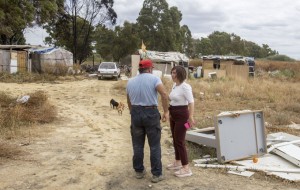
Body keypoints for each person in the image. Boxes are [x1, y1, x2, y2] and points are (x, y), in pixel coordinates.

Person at [126, 59, 169, 183]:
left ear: (140, 69)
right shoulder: (154, 79)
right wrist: (166, 112)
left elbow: (128, 100)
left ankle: (139, 171)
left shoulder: (130, 81)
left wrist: (132, 112)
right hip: (150, 113)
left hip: (135, 113)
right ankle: (156, 174)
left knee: (137, 144)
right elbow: (164, 95)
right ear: (150, 69)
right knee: (154, 145)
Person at [167, 65, 195, 177]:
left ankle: (186, 168)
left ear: (180, 74)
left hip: (182, 115)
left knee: (180, 141)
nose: (172, 75)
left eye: (174, 73)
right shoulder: (175, 85)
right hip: (173, 114)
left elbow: (191, 102)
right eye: (172, 72)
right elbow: (172, 98)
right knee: (175, 139)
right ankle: (178, 162)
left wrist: (191, 117)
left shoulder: (185, 87)